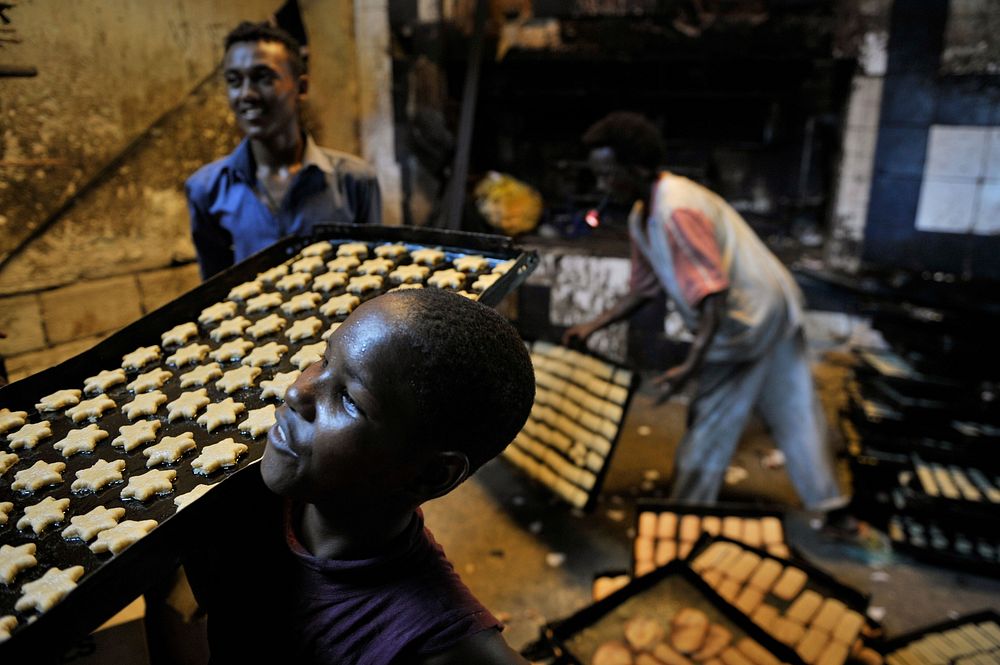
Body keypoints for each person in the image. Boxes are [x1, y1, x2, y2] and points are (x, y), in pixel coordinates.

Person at [184, 289, 535, 664]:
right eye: (323, 360)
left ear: (432, 474)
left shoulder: (433, 644)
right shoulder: (236, 503)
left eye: (349, 399)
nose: (296, 391)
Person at [563, 112, 844, 509]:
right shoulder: (642, 216)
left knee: (711, 421)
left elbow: (712, 297)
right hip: (770, 307)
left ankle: (685, 515)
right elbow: (643, 290)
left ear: (638, 168)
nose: (601, 184)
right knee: (795, 410)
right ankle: (831, 509)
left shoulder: (676, 210)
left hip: (745, 319)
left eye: (608, 174)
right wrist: (592, 325)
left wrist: (692, 365)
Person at [186, 22, 382, 280]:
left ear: (301, 88)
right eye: (234, 81)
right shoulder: (207, 190)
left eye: (263, 78)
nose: (246, 94)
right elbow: (212, 293)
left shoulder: (353, 181)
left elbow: (374, 274)